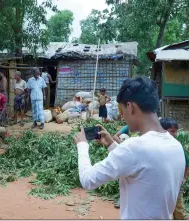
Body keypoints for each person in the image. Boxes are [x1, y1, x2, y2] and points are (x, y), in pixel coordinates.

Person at [73, 76, 185, 219]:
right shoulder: (175, 146)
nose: (123, 116)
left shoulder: (134, 147)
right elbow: (140, 168)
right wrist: (112, 145)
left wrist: (82, 145)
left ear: (130, 107)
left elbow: (88, 180)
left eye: (122, 110)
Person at [159, 118, 189, 220]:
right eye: (172, 131)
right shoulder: (156, 147)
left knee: (178, 206)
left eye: (175, 131)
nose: (175, 134)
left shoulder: (177, 146)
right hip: (163, 185)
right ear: (162, 131)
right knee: (165, 208)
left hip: (176, 184)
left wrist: (184, 178)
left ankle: (180, 217)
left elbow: (187, 163)